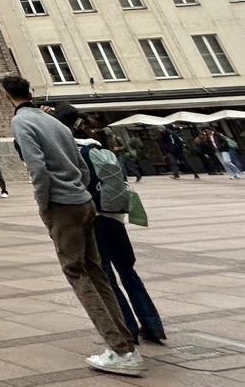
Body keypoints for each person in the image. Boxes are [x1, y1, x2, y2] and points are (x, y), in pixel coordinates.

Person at [4, 76, 142, 377]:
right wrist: (78, 189)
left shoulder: (23, 122)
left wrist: (44, 202)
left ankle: (120, 349)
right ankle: (126, 341)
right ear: (30, 92)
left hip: (62, 205)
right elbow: (79, 164)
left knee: (75, 271)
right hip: (84, 201)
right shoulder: (52, 120)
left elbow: (36, 166)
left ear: (6, 95)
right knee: (95, 270)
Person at [71, 119, 166, 346]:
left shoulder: (74, 153)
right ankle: (153, 325)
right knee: (128, 271)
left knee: (105, 275)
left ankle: (127, 329)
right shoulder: (100, 148)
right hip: (115, 218)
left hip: (93, 218)